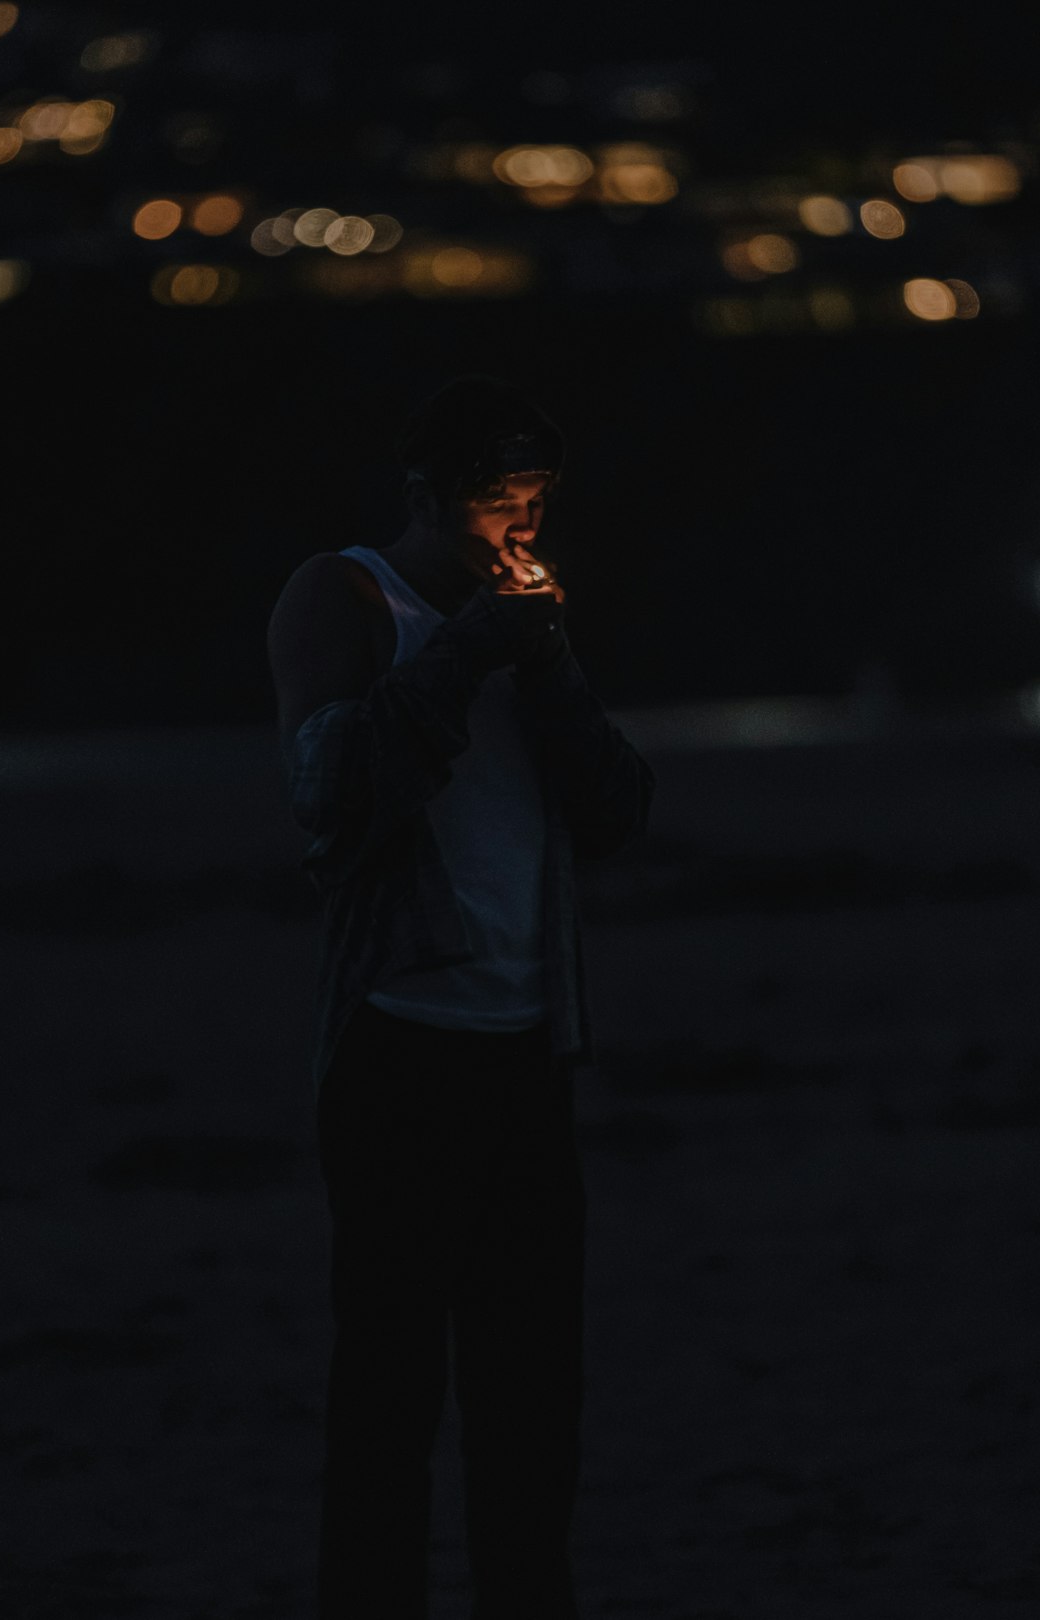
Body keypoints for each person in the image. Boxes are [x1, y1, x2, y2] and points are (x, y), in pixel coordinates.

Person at [266, 374, 656, 1620]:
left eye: (537, 504)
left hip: (529, 1048)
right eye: (501, 505)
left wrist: (542, 670)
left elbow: (616, 813)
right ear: (430, 498)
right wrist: (470, 652)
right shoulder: (344, 593)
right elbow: (333, 796)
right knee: (386, 1396)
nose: (524, 531)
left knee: (532, 1400)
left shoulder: (523, 613)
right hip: (398, 1047)